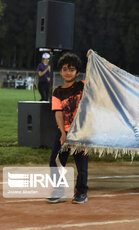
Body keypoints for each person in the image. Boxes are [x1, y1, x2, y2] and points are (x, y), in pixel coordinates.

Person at [48, 53, 89, 204]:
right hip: (64, 132)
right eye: (65, 69)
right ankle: (58, 191)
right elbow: (58, 113)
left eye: (72, 69)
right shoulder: (57, 92)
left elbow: (96, 75)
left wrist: (91, 57)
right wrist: (63, 133)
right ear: (61, 72)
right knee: (55, 162)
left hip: (81, 133)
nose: (68, 72)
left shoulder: (82, 85)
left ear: (77, 73)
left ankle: (82, 192)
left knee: (81, 165)